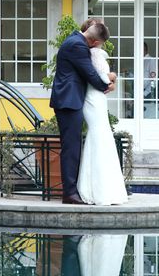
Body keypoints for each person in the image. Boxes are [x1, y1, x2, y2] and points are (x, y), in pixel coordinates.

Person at [50, 22, 117, 205]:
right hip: (69, 102)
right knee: (71, 148)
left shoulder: (74, 40)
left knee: (72, 146)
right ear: (95, 42)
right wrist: (107, 85)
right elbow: (90, 74)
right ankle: (69, 194)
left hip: (70, 100)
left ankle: (72, 191)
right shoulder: (78, 45)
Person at [77, 44, 128, 205]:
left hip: (98, 97)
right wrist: (112, 76)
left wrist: (111, 79)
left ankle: (105, 187)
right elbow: (100, 77)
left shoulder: (96, 53)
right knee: (98, 135)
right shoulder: (93, 53)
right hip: (93, 97)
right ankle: (95, 189)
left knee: (102, 136)